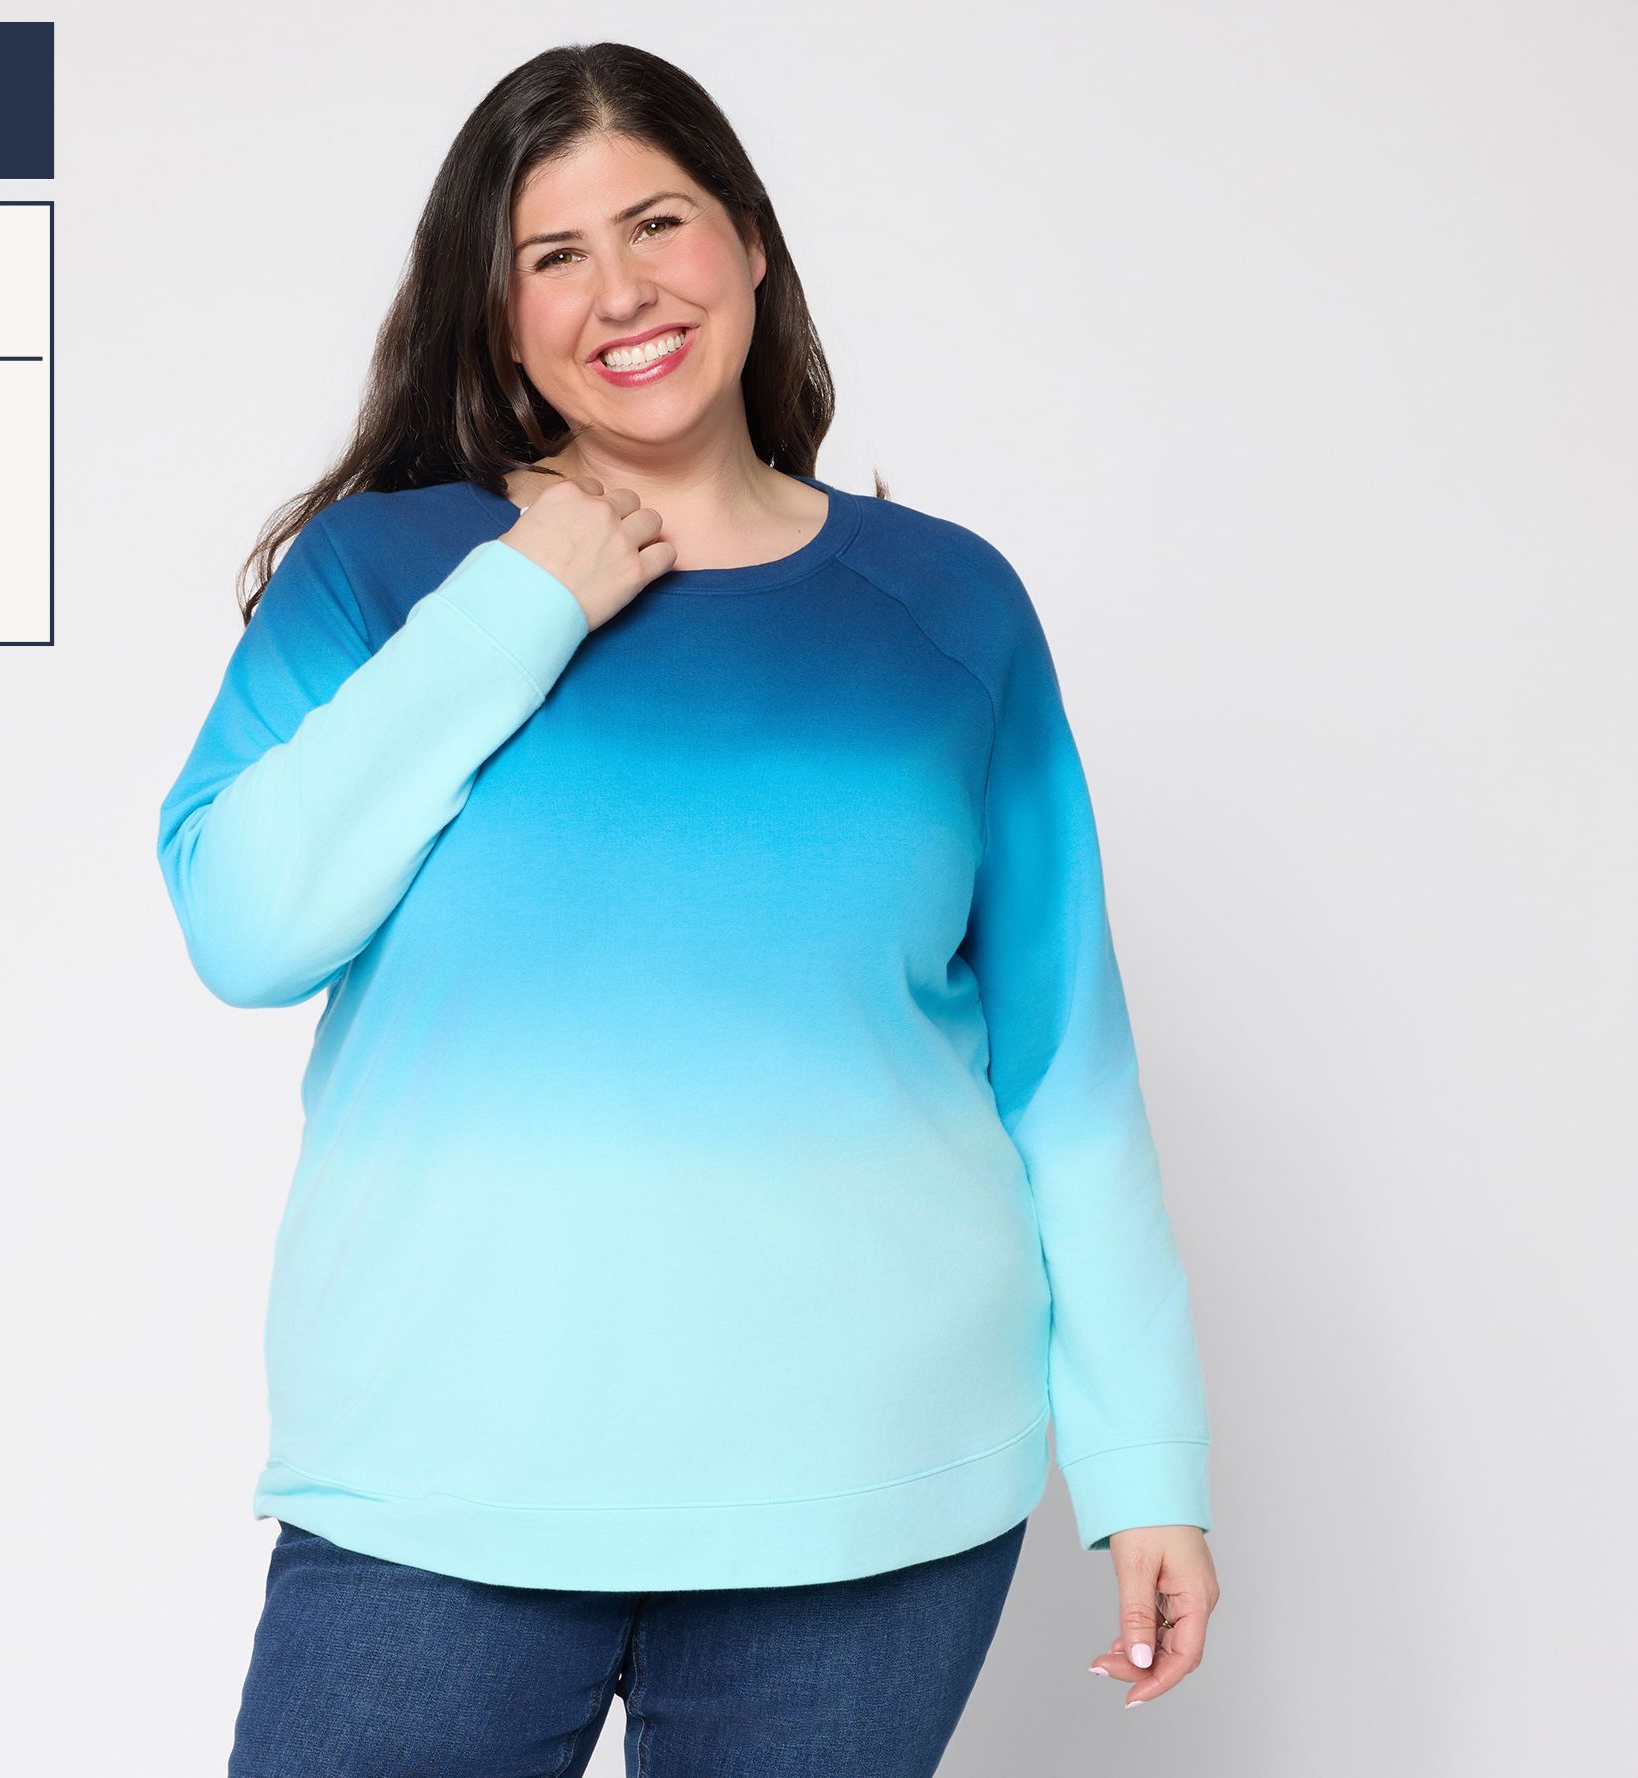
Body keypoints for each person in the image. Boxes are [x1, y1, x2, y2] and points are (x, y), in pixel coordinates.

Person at [156, 40, 1220, 1778]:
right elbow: (245, 926)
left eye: (658, 223)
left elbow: (1067, 1071)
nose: (622, 290)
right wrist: (522, 601)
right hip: (446, 1475)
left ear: (750, 242)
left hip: (867, 1496)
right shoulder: (387, 578)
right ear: (498, 314)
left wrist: (1146, 1459)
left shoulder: (946, 609)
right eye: (554, 253)